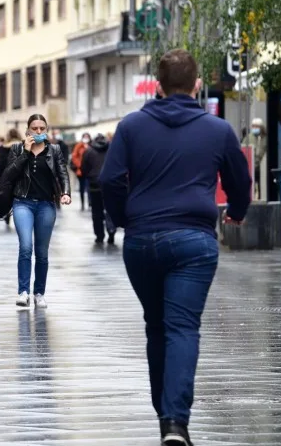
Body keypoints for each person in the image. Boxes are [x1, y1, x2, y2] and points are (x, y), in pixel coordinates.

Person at [99, 49, 251, 446]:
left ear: (158, 85)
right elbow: (239, 179)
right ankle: (174, 422)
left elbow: (111, 181)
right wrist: (236, 211)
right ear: (197, 85)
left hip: (142, 241)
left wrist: (125, 219)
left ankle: (164, 414)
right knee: (182, 326)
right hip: (193, 241)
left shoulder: (131, 127)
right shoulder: (216, 129)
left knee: (156, 324)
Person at [0, 114, 72, 309]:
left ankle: (39, 293)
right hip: (22, 203)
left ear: (46, 130)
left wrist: (65, 193)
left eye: (42, 128)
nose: (39, 132)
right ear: (28, 130)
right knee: (25, 247)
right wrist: (25, 152)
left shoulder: (54, 150)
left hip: (46, 205)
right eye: (35, 128)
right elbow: (8, 174)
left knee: (42, 252)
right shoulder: (16, 148)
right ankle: (23, 292)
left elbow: (62, 172)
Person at [81, 133, 116, 245]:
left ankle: (99, 236)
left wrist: (89, 177)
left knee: (96, 212)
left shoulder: (88, 151)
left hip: (94, 185)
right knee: (110, 209)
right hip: (109, 184)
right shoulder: (112, 149)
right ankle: (111, 230)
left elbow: (83, 168)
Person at [245, 118, 267, 198]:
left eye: (257, 126)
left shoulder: (265, 137)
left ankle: (261, 197)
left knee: (262, 185)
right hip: (252, 165)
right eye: (253, 126)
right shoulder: (249, 137)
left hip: (262, 167)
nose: (255, 128)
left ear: (261, 127)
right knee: (252, 184)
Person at [71, 132, 92, 210]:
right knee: (82, 187)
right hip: (81, 171)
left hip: (90, 171)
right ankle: (82, 203)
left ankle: (90, 203)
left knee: (89, 187)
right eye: (85, 137)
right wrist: (79, 165)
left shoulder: (91, 145)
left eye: (87, 137)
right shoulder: (79, 146)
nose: (86, 138)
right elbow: (74, 156)